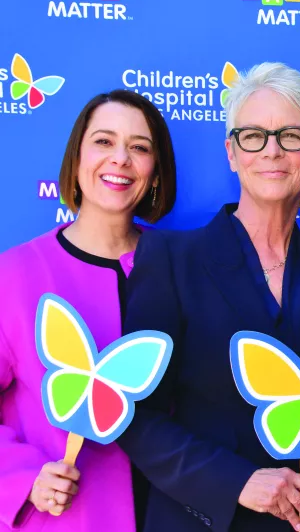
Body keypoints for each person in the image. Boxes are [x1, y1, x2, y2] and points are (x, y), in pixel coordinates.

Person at [117, 63, 300, 532]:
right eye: (253, 136)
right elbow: (132, 414)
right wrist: (237, 481)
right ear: (231, 152)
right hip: (205, 520)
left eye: (290, 135)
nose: (271, 151)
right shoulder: (172, 258)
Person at [0, 89, 177, 531]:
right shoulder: (16, 273)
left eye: (139, 147)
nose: (120, 158)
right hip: (66, 519)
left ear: (155, 173)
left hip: (174, 516)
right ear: (76, 159)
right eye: (103, 141)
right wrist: (22, 478)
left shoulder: (183, 266)